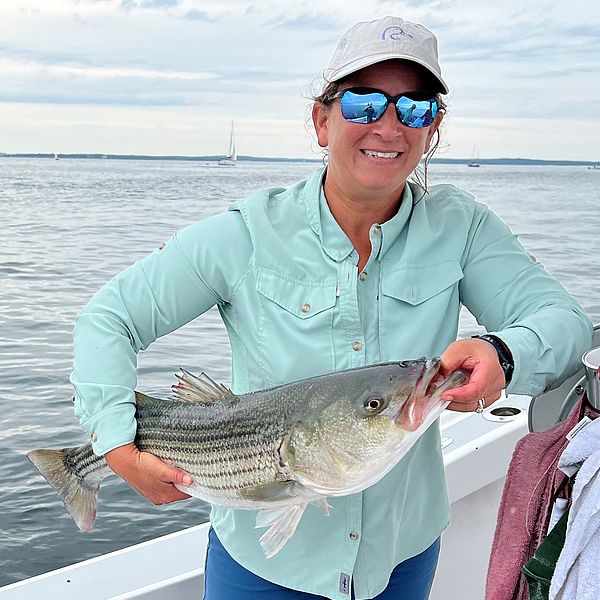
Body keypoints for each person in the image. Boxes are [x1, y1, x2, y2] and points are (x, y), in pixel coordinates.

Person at [70, 15, 593, 600]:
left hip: (403, 553)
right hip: (262, 567)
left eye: (414, 107)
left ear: (433, 128)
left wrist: (503, 352)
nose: (389, 126)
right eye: (364, 104)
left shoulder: (462, 228)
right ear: (322, 121)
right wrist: (116, 447)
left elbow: (564, 321)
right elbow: (108, 320)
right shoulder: (246, 234)